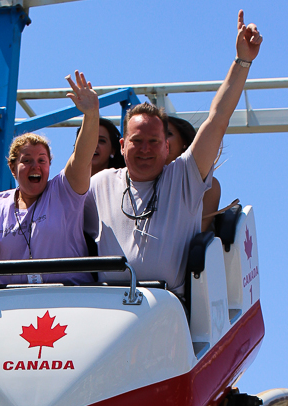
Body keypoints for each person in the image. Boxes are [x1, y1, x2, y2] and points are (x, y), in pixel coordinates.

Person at [84, 10, 262, 297]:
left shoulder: (184, 177)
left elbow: (217, 119)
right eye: (137, 141)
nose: (145, 149)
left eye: (154, 141)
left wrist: (242, 62)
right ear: (121, 146)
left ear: (167, 148)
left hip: (166, 313)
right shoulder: (99, 184)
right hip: (111, 313)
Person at [0, 70, 99, 289]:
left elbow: (82, 157)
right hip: (16, 303)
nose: (35, 166)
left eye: (42, 160)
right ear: (12, 167)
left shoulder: (64, 190)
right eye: (27, 160)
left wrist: (91, 114)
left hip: (71, 300)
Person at [166, 116, 222, 231]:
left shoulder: (208, 187)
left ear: (184, 144)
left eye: (168, 134)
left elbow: (197, 232)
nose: (159, 139)